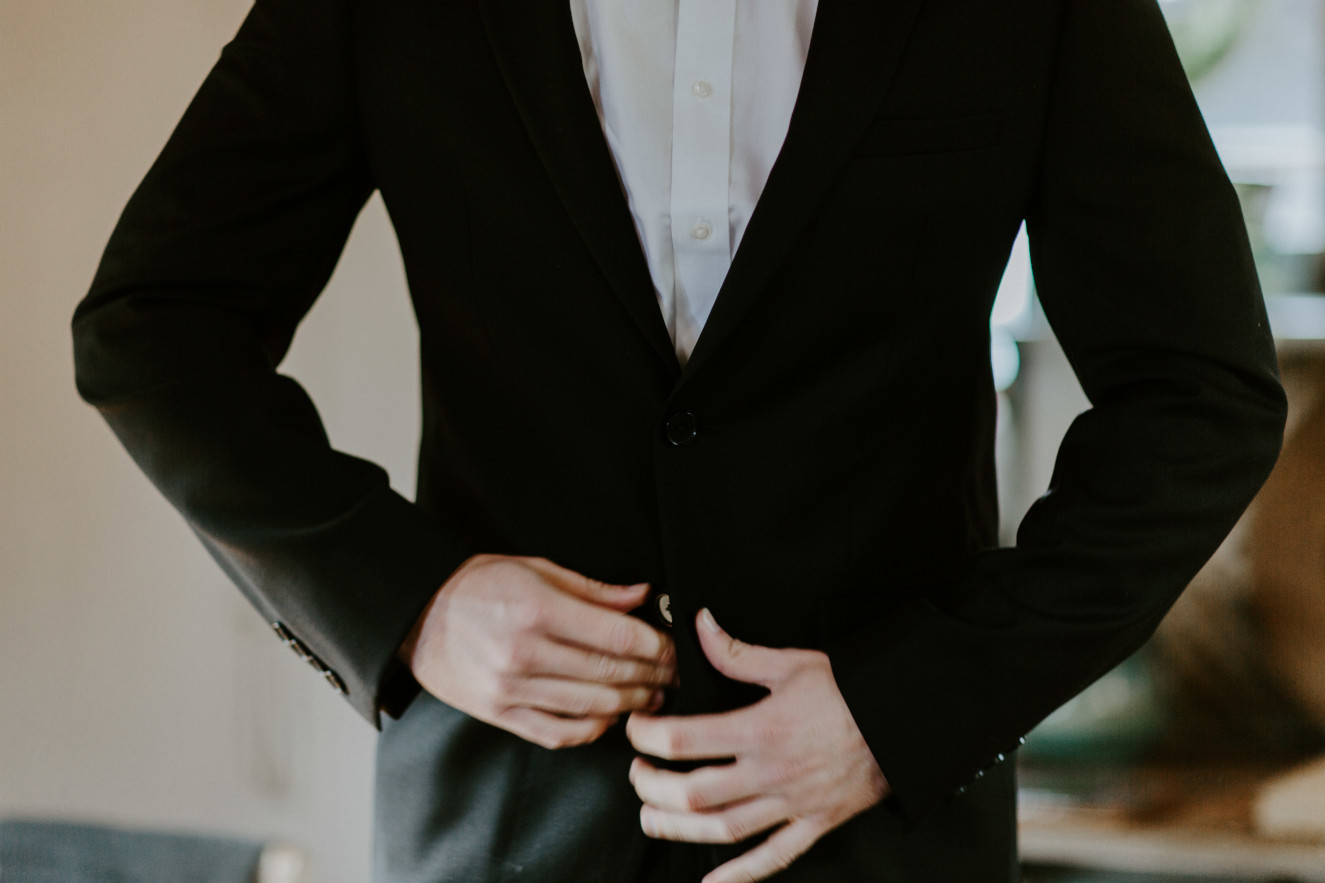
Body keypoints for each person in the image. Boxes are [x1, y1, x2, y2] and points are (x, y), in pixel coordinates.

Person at [71, 0, 1287, 880]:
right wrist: (413, 601)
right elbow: (156, 325)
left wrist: (907, 708)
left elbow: (1199, 392)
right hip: (503, 832)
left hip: (885, 844)